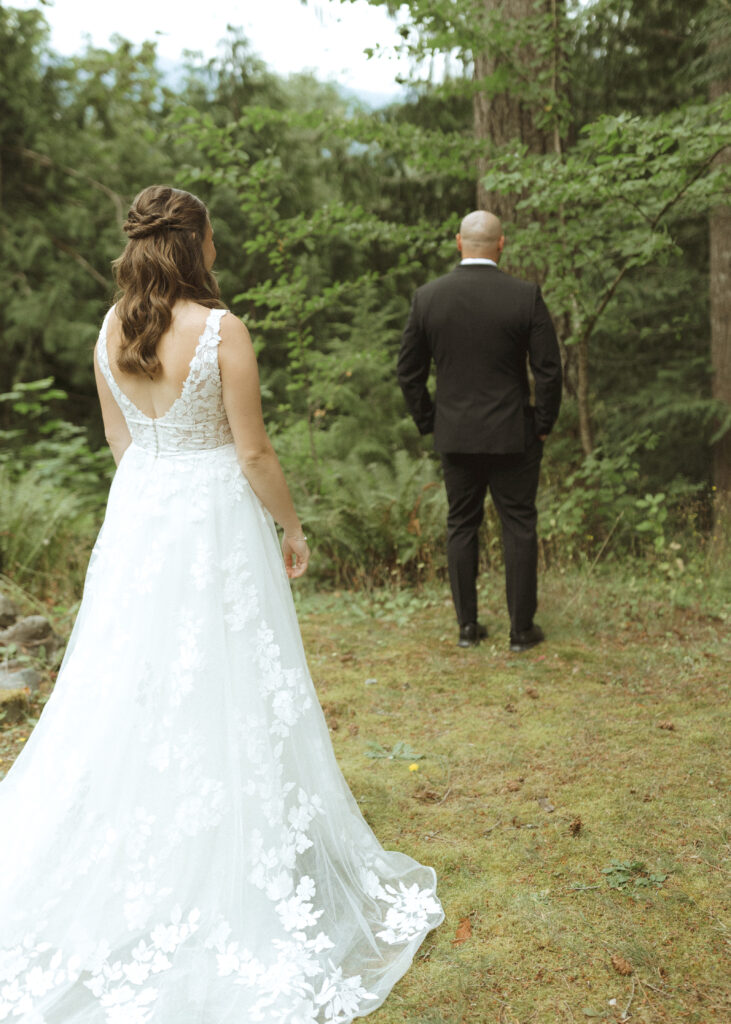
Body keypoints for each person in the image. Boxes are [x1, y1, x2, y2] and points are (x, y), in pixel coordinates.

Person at [0, 185, 443, 1023]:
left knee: (132, 675)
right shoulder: (222, 329)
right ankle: (225, 838)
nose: (218, 246)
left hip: (141, 515)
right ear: (194, 241)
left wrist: (154, 488)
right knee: (227, 668)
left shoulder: (109, 327)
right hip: (211, 519)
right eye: (212, 235)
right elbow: (253, 449)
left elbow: (117, 441)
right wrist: (292, 525)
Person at [397, 210, 562, 652]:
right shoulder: (525, 296)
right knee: (519, 526)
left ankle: (467, 628)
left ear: (458, 242)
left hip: (456, 436)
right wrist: (542, 424)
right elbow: (549, 370)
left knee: (461, 525)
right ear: (501, 244)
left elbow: (408, 372)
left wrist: (431, 422)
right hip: (514, 435)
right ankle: (521, 632)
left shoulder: (428, 298)